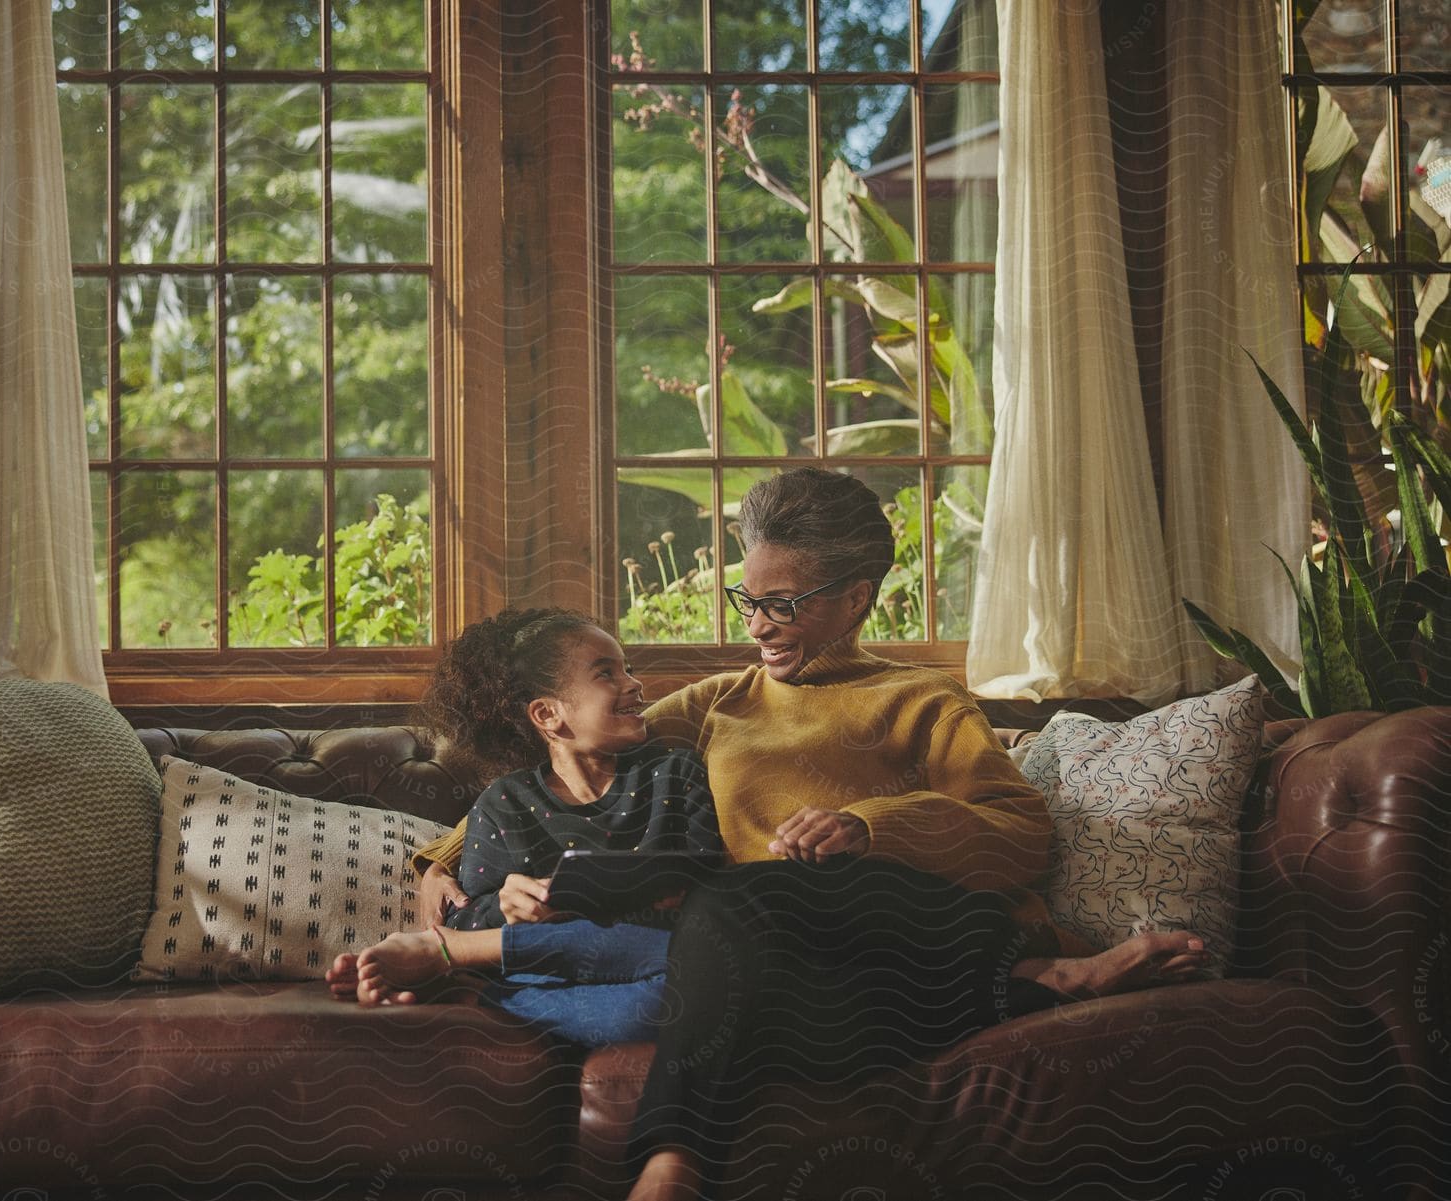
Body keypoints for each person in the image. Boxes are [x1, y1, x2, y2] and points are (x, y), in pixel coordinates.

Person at [331, 468, 1205, 1200]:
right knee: (719, 946)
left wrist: (868, 828)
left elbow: (1019, 832)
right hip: (776, 965)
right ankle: (1028, 988)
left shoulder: (922, 701)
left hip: (902, 924)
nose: (755, 623)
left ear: (855, 598)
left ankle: (672, 1164)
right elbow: (565, 754)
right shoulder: (721, 701)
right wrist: (442, 866)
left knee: (724, 896)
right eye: (747, 597)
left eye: (782, 603)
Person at [352, 607, 723, 1047]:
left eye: (629, 669)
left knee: (696, 976)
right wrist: (506, 907)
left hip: (661, 960)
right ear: (547, 714)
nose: (634, 684)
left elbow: (713, 874)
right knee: (684, 992)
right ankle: (482, 977)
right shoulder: (505, 803)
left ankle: (454, 970)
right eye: (607, 674)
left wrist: (686, 891)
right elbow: (467, 914)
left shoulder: (676, 773)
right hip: (556, 978)